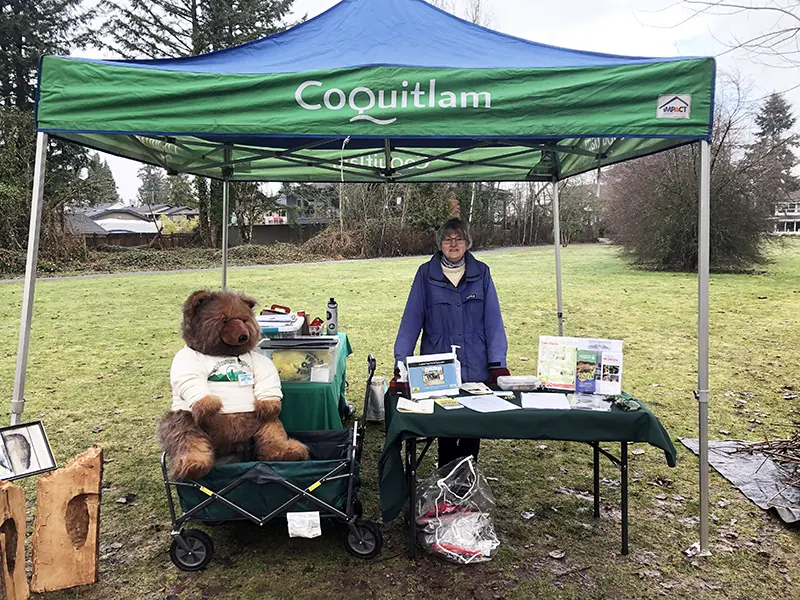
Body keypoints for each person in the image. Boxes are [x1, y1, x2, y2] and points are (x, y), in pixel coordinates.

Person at [392, 217, 509, 466]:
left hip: (475, 364)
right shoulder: (426, 274)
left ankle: (467, 475)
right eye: (448, 239)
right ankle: (446, 473)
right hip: (437, 365)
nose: (453, 244)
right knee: (444, 424)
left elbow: (493, 320)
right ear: (440, 243)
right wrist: (401, 363)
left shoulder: (482, 273)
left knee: (472, 424)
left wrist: (497, 362)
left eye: (459, 239)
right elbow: (411, 319)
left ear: (467, 243)